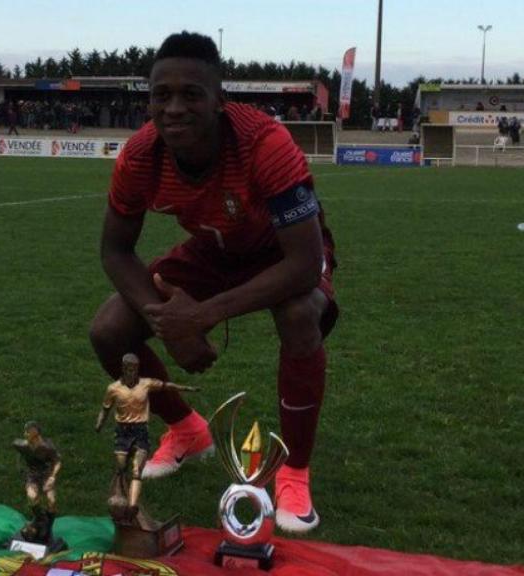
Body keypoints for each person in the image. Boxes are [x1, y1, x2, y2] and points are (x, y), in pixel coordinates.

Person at [88, 31, 339, 534]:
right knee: (110, 328)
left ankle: (293, 470)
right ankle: (187, 430)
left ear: (219, 100)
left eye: (190, 94)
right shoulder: (140, 156)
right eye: (162, 95)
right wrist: (167, 321)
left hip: (282, 251)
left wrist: (200, 316)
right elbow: (115, 249)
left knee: (298, 314)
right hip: (212, 249)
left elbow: (305, 264)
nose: (174, 108)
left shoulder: (264, 143)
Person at [95, 354, 197, 517]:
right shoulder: (113, 389)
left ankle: (132, 507)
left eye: (135, 369)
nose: (132, 372)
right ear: (123, 369)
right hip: (122, 432)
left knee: (137, 470)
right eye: (128, 368)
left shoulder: (146, 384)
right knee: (121, 467)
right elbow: (105, 408)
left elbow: (166, 386)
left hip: (140, 431)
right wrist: (99, 423)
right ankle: (118, 494)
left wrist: (186, 388)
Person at [12, 422, 62, 542]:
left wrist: (52, 477)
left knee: (51, 501)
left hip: (46, 475)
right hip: (32, 476)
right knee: (32, 497)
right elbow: (16, 445)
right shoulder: (23, 446)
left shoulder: (47, 447)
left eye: (27, 432)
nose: (25, 434)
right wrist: (21, 470)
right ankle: (42, 520)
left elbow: (58, 461)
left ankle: (47, 529)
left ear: (35, 434)